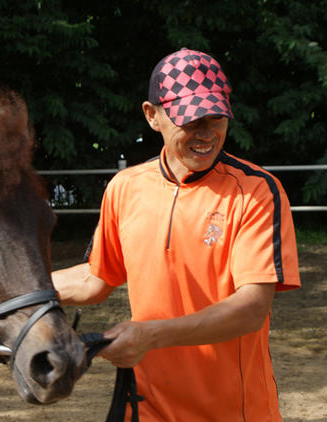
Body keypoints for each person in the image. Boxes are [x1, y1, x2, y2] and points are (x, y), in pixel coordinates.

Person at [53, 48, 301, 421]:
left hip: (234, 413)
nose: (207, 133)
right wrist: (15, 291)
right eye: (191, 120)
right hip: (146, 409)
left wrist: (150, 335)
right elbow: (95, 278)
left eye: (216, 117)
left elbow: (251, 308)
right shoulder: (125, 187)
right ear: (152, 116)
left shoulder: (255, 191)